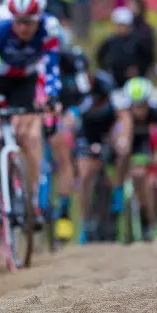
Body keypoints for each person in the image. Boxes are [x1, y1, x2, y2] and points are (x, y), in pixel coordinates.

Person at [0, 0, 62, 226]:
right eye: (18, 21)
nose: (23, 28)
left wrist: (52, 96)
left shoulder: (49, 28)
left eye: (29, 22)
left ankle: (31, 200)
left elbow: (51, 67)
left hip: (25, 81)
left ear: (39, 17)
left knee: (29, 136)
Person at [67, 70, 132, 243]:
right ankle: (85, 222)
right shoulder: (79, 99)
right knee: (85, 174)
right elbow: (70, 123)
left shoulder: (112, 95)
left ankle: (117, 190)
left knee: (122, 150)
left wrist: (122, 139)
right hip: (86, 136)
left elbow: (124, 119)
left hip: (107, 134)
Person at [51, 44, 91, 241]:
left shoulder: (74, 61)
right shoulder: (32, 57)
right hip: (42, 113)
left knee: (69, 163)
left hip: (68, 117)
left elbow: (85, 96)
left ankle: (64, 213)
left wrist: (73, 114)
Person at [123, 77, 157, 242]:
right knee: (136, 177)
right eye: (135, 105)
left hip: (150, 154)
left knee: (154, 184)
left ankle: (153, 218)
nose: (139, 110)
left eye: (142, 104)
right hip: (132, 155)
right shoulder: (125, 117)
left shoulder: (156, 115)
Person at [97, 7, 149, 87]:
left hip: (135, 83)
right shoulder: (110, 42)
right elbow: (100, 58)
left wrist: (139, 69)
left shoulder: (138, 41)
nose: (121, 28)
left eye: (124, 25)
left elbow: (147, 58)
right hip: (115, 82)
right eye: (119, 25)